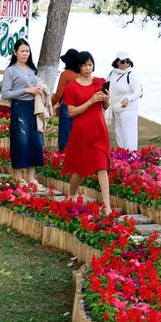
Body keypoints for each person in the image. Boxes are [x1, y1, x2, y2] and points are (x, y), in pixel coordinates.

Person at [62, 51, 112, 211]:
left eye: (90, 65)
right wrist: (90, 101)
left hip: (98, 129)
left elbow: (105, 107)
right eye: (84, 65)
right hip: (81, 131)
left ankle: (107, 205)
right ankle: (72, 193)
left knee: (102, 165)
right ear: (79, 66)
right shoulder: (72, 87)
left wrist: (106, 99)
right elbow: (71, 112)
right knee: (80, 169)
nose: (88, 68)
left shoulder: (99, 82)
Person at [1, 39, 48, 192]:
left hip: (33, 107)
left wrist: (40, 87)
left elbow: (35, 84)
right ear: (15, 52)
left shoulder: (31, 69)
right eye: (22, 51)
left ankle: (31, 177)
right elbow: (5, 94)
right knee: (21, 141)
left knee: (36, 140)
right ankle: (18, 176)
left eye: (27, 51)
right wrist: (26, 90)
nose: (25, 54)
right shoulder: (11, 71)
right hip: (20, 107)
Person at [106, 51, 143, 151]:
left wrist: (128, 98)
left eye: (128, 61)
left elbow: (138, 91)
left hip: (128, 109)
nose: (125, 64)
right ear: (117, 62)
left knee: (128, 134)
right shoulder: (111, 74)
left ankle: (130, 155)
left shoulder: (130, 75)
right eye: (123, 62)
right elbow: (106, 88)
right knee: (119, 133)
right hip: (116, 109)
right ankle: (122, 155)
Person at [49, 48, 80, 153]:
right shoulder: (81, 75)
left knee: (65, 135)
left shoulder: (65, 74)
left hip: (66, 106)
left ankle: (63, 158)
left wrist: (49, 105)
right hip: (80, 107)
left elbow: (58, 94)